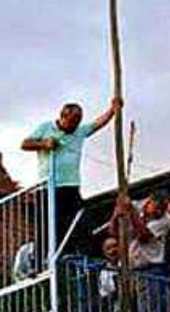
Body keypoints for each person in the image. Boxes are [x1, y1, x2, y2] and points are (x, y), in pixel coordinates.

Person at [22, 99, 121, 248]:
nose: (75, 126)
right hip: (49, 186)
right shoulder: (46, 127)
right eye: (72, 121)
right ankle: (41, 259)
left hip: (71, 185)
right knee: (47, 226)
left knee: (78, 219)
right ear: (63, 117)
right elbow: (25, 144)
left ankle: (74, 251)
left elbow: (97, 124)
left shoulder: (79, 131)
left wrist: (113, 110)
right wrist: (44, 144)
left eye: (78, 121)